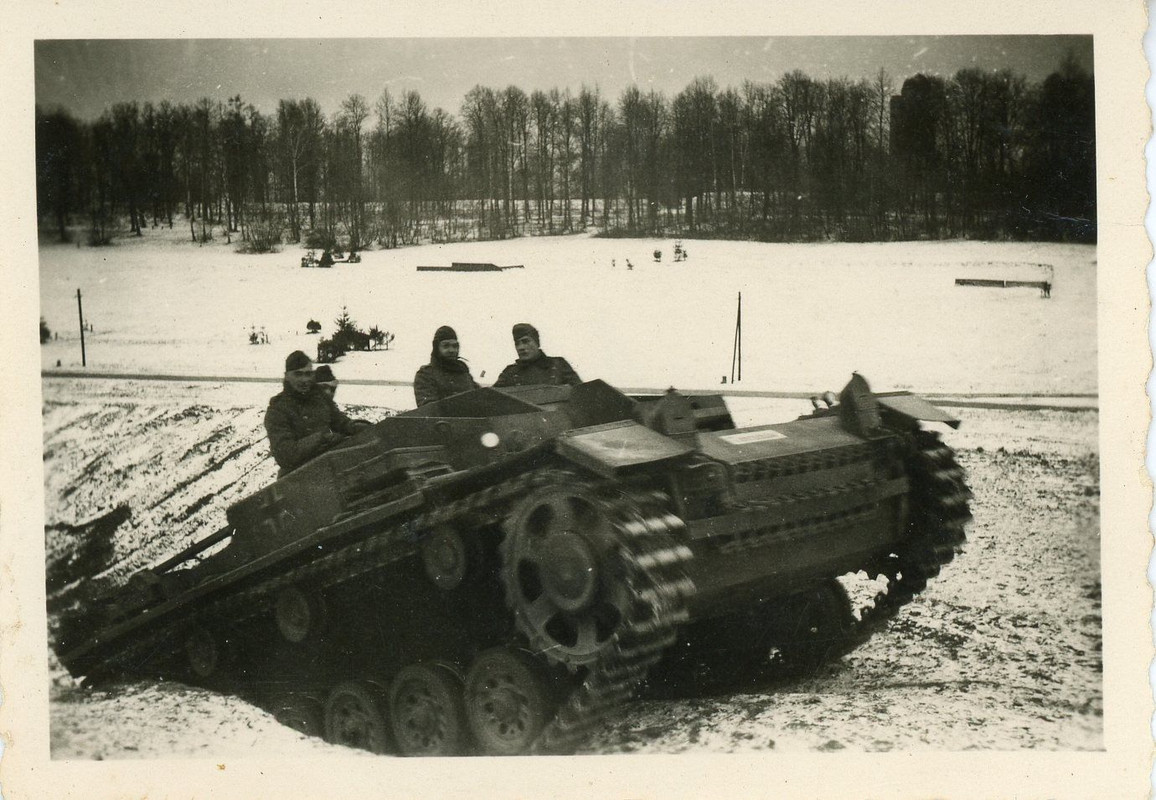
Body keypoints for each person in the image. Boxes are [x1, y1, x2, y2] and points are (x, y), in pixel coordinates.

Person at [264, 350, 364, 476]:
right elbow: (286, 456)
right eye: (298, 374)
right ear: (287, 376)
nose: (304, 380)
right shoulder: (277, 410)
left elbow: (341, 422)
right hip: (299, 478)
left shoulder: (320, 398)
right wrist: (320, 438)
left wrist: (357, 427)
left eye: (308, 374)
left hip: (330, 466)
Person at [493, 323, 582, 388]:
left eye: (526, 341)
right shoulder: (510, 373)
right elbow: (490, 398)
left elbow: (581, 394)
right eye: (517, 344)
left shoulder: (558, 365)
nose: (521, 347)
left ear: (537, 343)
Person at [414, 325, 479, 406]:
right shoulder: (425, 375)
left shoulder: (464, 374)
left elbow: (482, 399)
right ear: (436, 348)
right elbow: (428, 408)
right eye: (446, 346)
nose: (451, 350)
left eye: (455, 346)